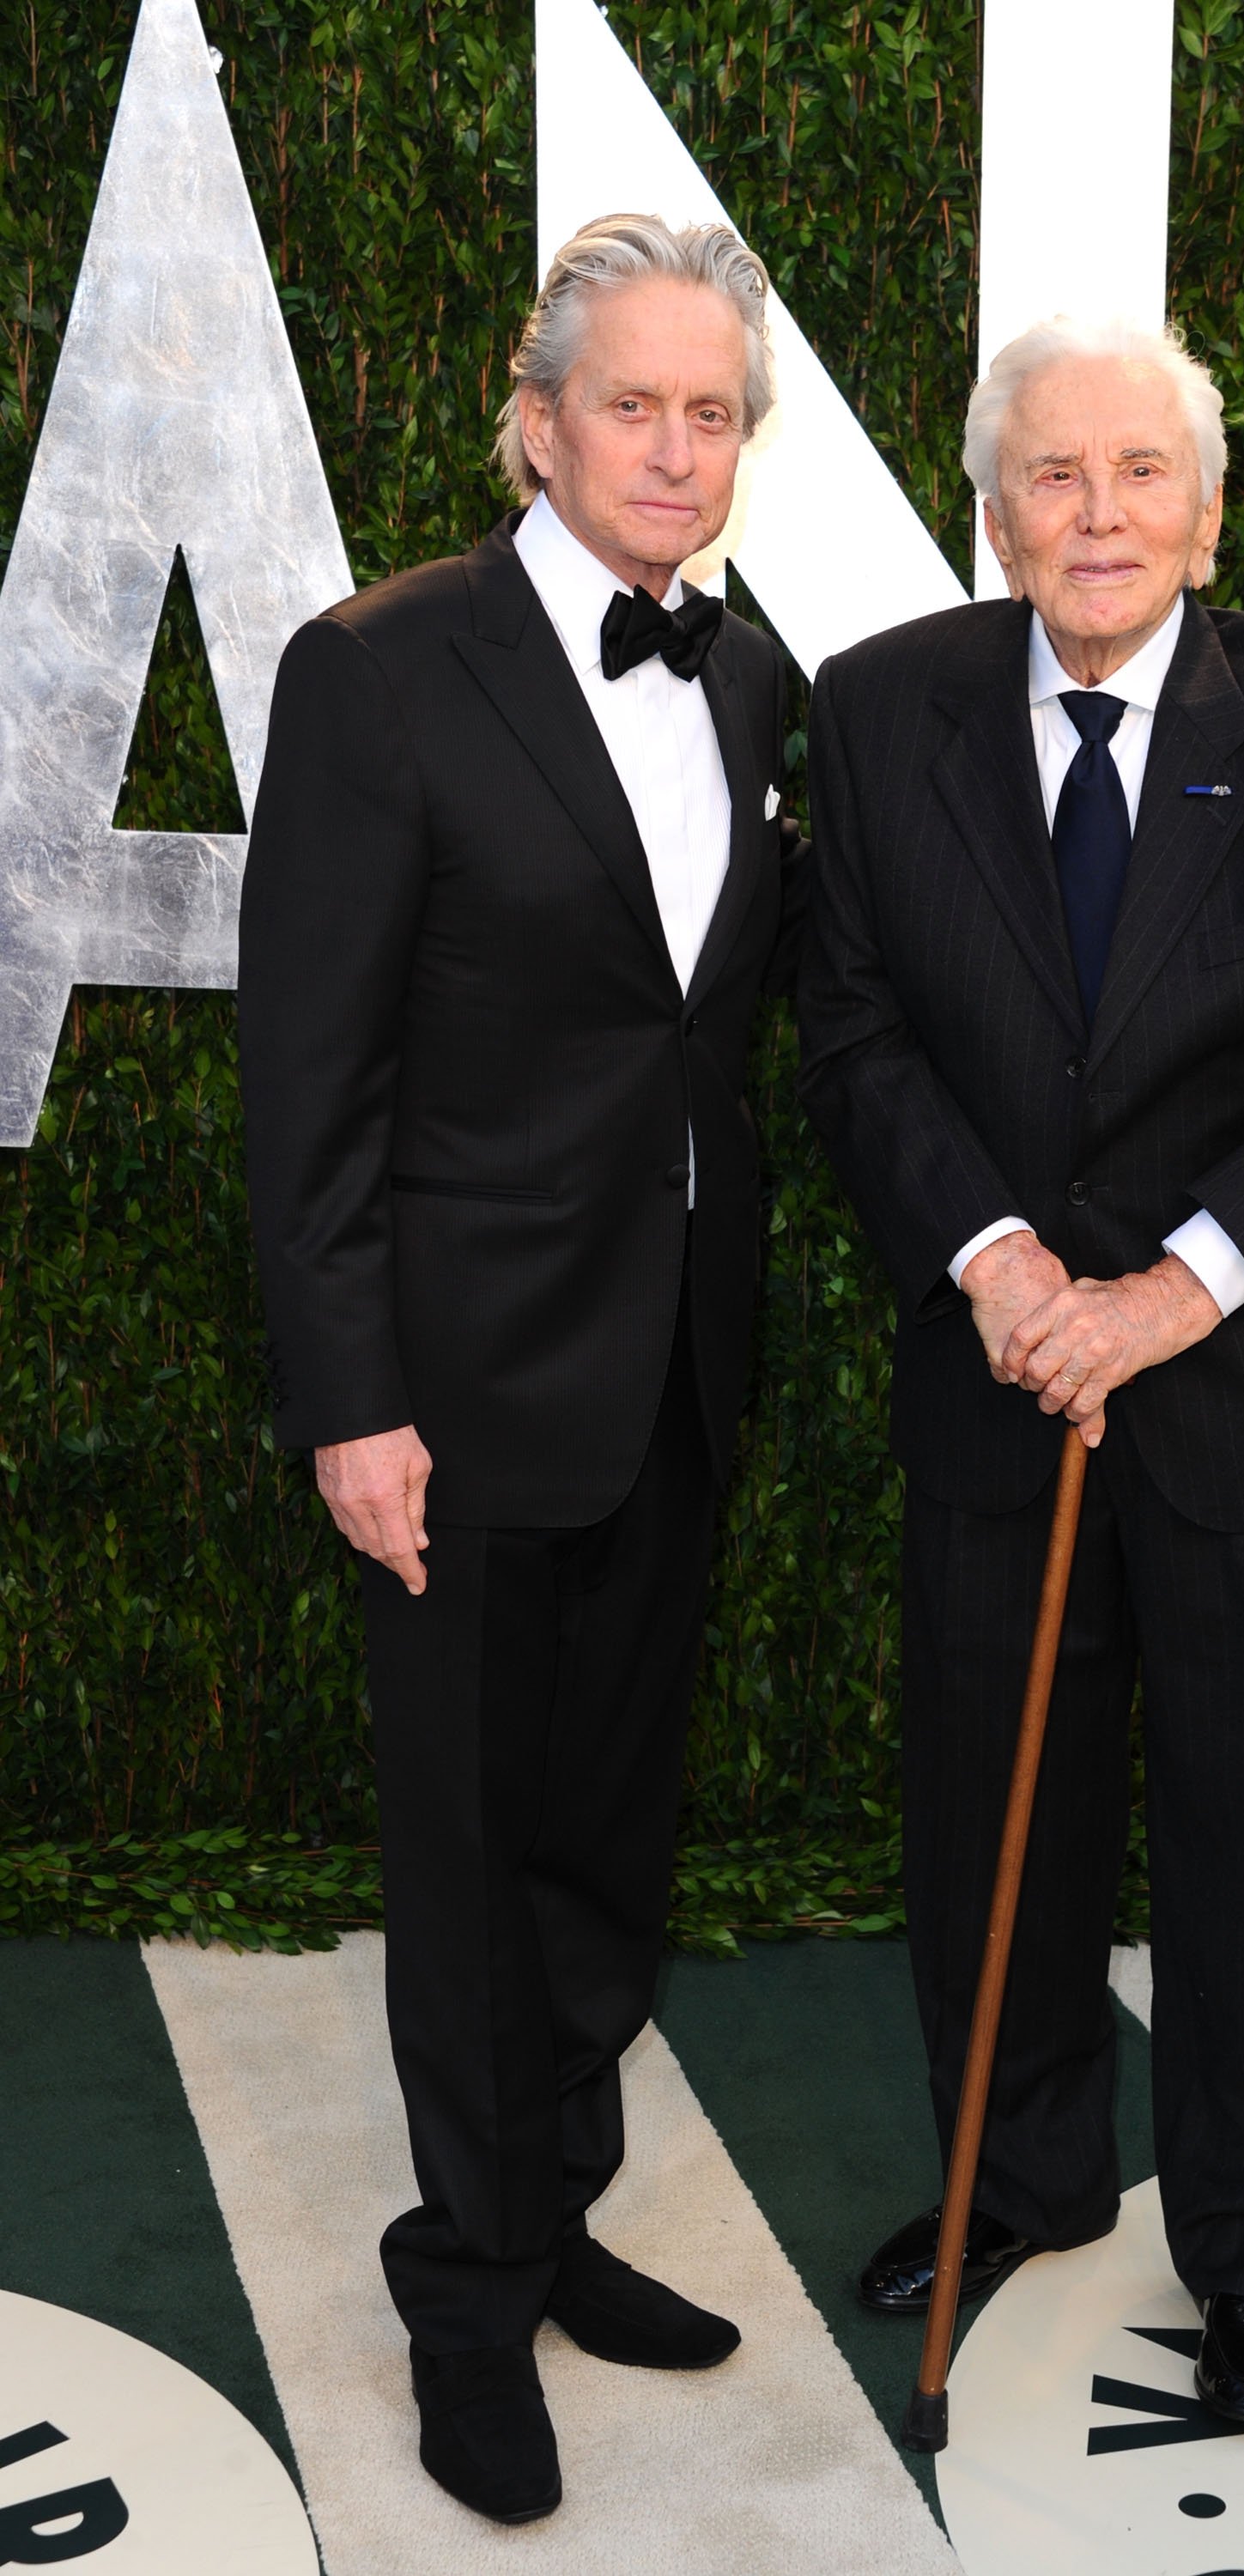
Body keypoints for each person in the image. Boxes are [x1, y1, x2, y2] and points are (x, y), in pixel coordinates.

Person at [798, 316, 1244, 2432]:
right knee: (999, 1818)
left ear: (1205, 503)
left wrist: (1171, 1291)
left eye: (1139, 474)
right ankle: (1021, 2181)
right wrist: (998, 1268)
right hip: (999, 1379)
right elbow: (856, 1033)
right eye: (1053, 478)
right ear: (993, 508)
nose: (1097, 516)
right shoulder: (879, 708)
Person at [238, 214, 804, 2525]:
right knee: (470, 1864)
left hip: (671, 1365)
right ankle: (465, 2298)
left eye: (713, 413)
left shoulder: (752, 668)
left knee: (598, 1845)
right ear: (539, 414)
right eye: (636, 406)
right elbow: (312, 1084)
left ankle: (548, 2215)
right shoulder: (382, 671)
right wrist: (351, 1402)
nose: (676, 449)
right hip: (455, 1400)